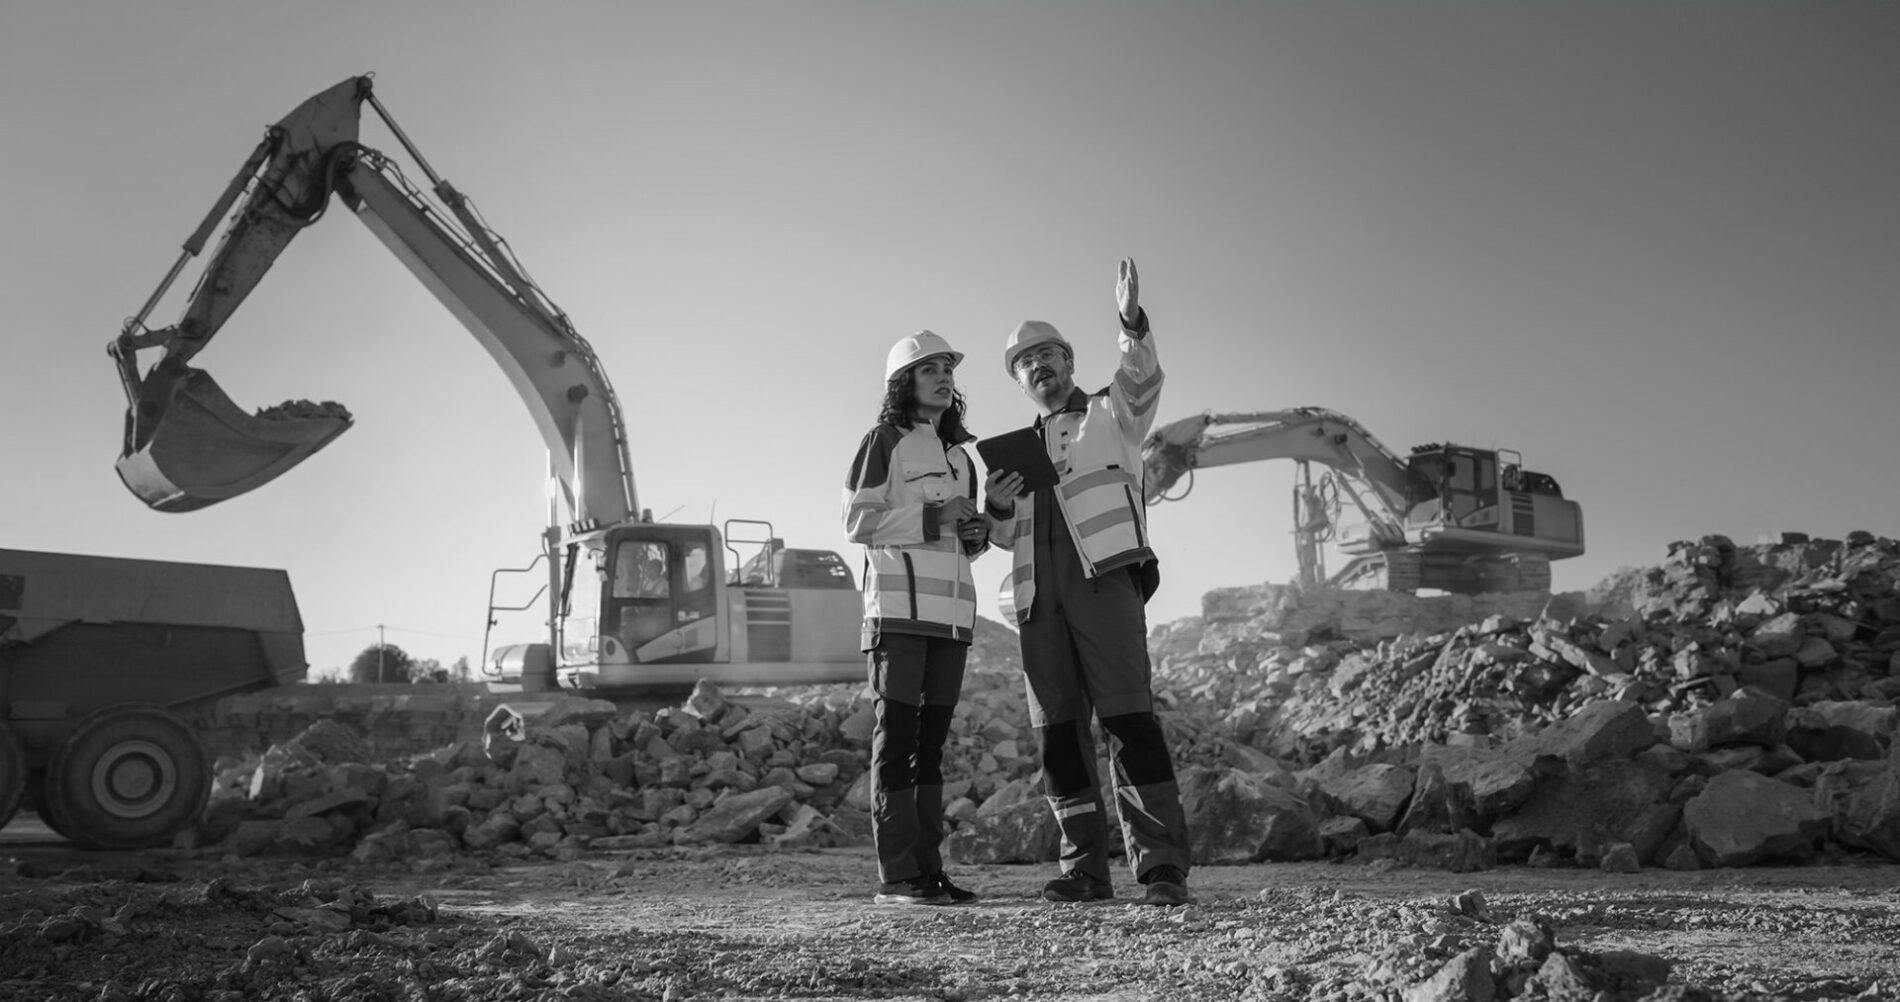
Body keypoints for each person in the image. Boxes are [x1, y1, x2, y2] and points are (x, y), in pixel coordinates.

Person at [982, 257, 1195, 906]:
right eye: (1026, 361)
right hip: (1036, 602)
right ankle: (1085, 868)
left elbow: (1142, 376)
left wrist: (1130, 320)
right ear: (1019, 380)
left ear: (1070, 361)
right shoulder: (1012, 452)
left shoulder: (1112, 414)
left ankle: (1160, 867)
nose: (1039, 365)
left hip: (1105, 585)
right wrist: (994, 503)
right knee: (1059, 738)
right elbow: (1000, 535)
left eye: (1049, 353)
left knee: (1129, 720)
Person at [842, 330, 991, 906]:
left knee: (930, 749)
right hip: (898, 619)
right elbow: (858, 522)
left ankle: (929, 871)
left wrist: (975, 533)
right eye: (929, 369)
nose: (944, 376)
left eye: (948, 368)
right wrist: (934, 517)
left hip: (951, 623)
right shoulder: (883, 441)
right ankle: (897, 875)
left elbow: (961, 541)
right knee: (896, 741)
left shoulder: (962, 459)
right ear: (903, 383)